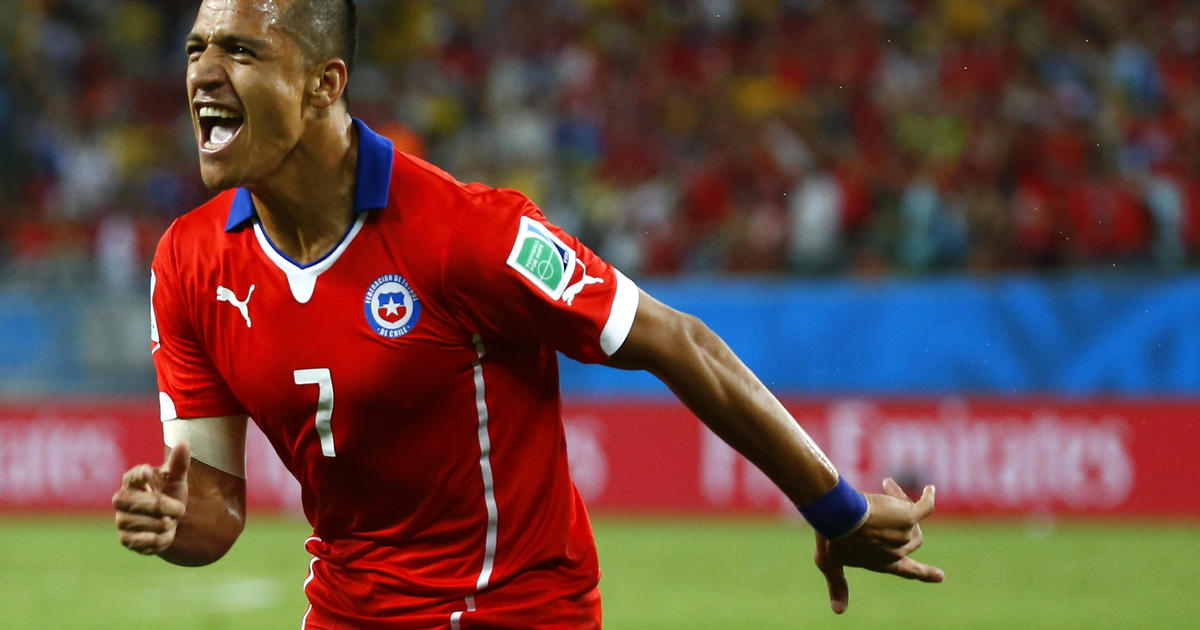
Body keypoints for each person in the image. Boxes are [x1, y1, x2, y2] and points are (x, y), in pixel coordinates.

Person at [112, 1, 944, 627]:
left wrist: (836, 510)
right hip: (348, 613)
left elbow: (674, 341)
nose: (203, 70)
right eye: (194, 48)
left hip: (517, 611)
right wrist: (173, 519)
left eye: (240, 49)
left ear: (325, 84)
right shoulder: (189, 266)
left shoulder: (469, 235)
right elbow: (212, 510)